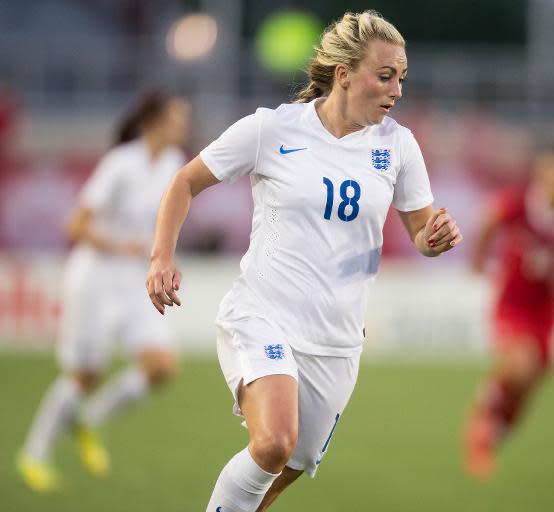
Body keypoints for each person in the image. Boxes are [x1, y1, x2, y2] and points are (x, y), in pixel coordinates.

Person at [145, 11, 463, 512]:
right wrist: (162, 256)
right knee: (274, 441)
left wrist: (435, 237)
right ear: (344, 75)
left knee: (283, 467)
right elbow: (184, 181)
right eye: (385, 77)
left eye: (401, 78)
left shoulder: (397, 145)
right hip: (263, 314)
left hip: (337, 342)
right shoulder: (270, 129)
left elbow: (421, 231)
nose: (397, 90)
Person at [17, 91, 190, 492]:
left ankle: (87, 419)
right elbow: (74, 227)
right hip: (94, 278)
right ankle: (34, 453)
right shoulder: (121, 163)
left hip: (134, 281)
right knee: (86, 373)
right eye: (177, 118)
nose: (183, 125)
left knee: (162, 366)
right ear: (153, 121)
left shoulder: (173, 164)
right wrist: (119, 245)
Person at [463, 147, 554, 479]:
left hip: (546, 310)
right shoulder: (521, 203)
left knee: (529, 384)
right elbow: (489, 219)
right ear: (540, 181)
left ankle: (497, 429)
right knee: (520, 365)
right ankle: (482, 415)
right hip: (512, 302)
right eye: (552, 181)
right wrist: (479, 258)